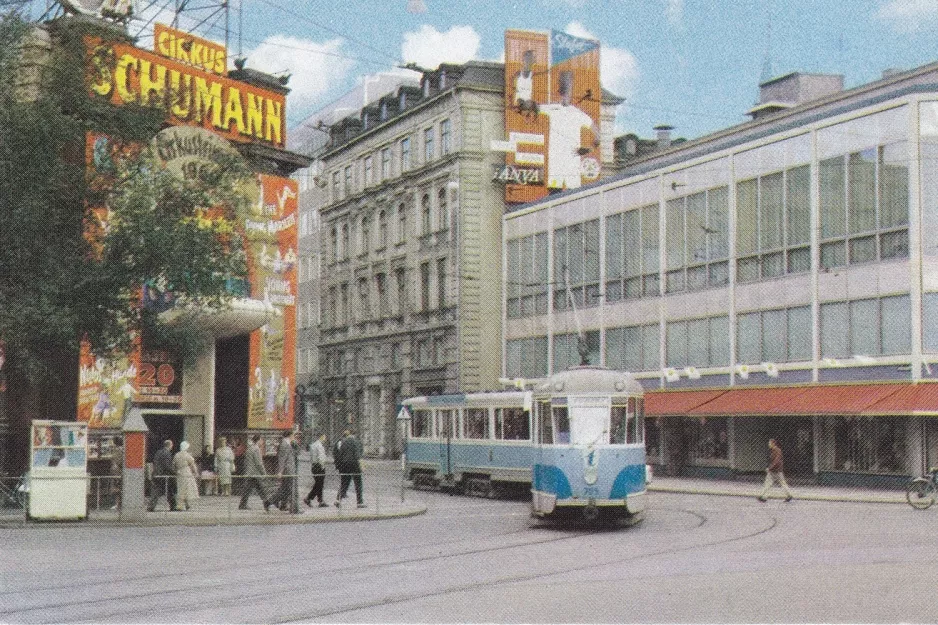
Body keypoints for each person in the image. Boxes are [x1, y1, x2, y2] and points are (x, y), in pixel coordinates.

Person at [334, 429, 365, 508]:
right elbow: (358, 455)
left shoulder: (343, 442)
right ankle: (359, 502)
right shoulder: (356, 442)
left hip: (345, 464)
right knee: (358, 483)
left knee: (344, 482)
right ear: (355, 435)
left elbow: (340, 453)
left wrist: (340, 464)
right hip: (354, 464)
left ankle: (338, 499)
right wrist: (362, 466)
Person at [239, 434, 271, 511]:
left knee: (250, 489)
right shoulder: (256, 449)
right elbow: (259, 463)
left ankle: (243, 504)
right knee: (260, 489)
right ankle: (266, 503)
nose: (262, 442)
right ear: (258, 440)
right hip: (255, 473)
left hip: (250, 472)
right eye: (261, 440)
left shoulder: (249, 448)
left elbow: (246, 461)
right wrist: (264, 473)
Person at [268, 430, 298, 513]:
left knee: (284, 489)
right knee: (291, 490)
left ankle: (269, 501)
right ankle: (294, 510)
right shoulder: (284, 444)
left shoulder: (288, 443)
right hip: (287, 471)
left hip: (289, 470)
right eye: (293, 435)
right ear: (289, 435)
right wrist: (280, 471)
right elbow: (282, 459)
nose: (294, 437)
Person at [758, 438, 794, 503]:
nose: (768, 444)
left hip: (776, 471)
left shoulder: (777, 450)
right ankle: (763, 497)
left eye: (769, 443)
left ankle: (789, 495)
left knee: (781, 483)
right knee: (768, 483)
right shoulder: (773, 450)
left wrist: (770, 468)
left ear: (773, 444)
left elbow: (776, 461)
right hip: (774, 470)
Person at [148, 440, 176, 512]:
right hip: (163, 475)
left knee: (155, 491)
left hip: (156, 474)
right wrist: (174, 472)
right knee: (169, 491)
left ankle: (151, 506)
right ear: (170, 445)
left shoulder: (158, 452)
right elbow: (167, 466)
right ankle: (173, 506)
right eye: (172, 445)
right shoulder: (167, 453)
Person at [173, 441, 200, 510]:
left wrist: (176, 471)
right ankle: (181, 505)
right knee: (187, 488)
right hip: (186, 472)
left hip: (179, 473)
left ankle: (185, 504)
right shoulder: (187, 455)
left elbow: (174, 465)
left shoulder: (177, 455)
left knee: (180, 488)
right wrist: (196, 472)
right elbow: (192, 464)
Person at [304, 433, 329, 508]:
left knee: (318, 484)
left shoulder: (313, 445)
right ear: (321, 437)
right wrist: (323, 466)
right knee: (319, 484)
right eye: (324, 437)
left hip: (314, 466)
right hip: (319, 466)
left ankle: (320, 500)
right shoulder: (320, 446)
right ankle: (309, 498)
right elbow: (321, 457)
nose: (325, 439)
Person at [108, 437, 123, 511]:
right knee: (119, 488)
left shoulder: (117, 451)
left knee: (117, 488)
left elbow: (117, 461)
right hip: (119, 472)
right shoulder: (123, 450)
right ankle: (119, 504)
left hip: (117, 472)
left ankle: (118, 504)